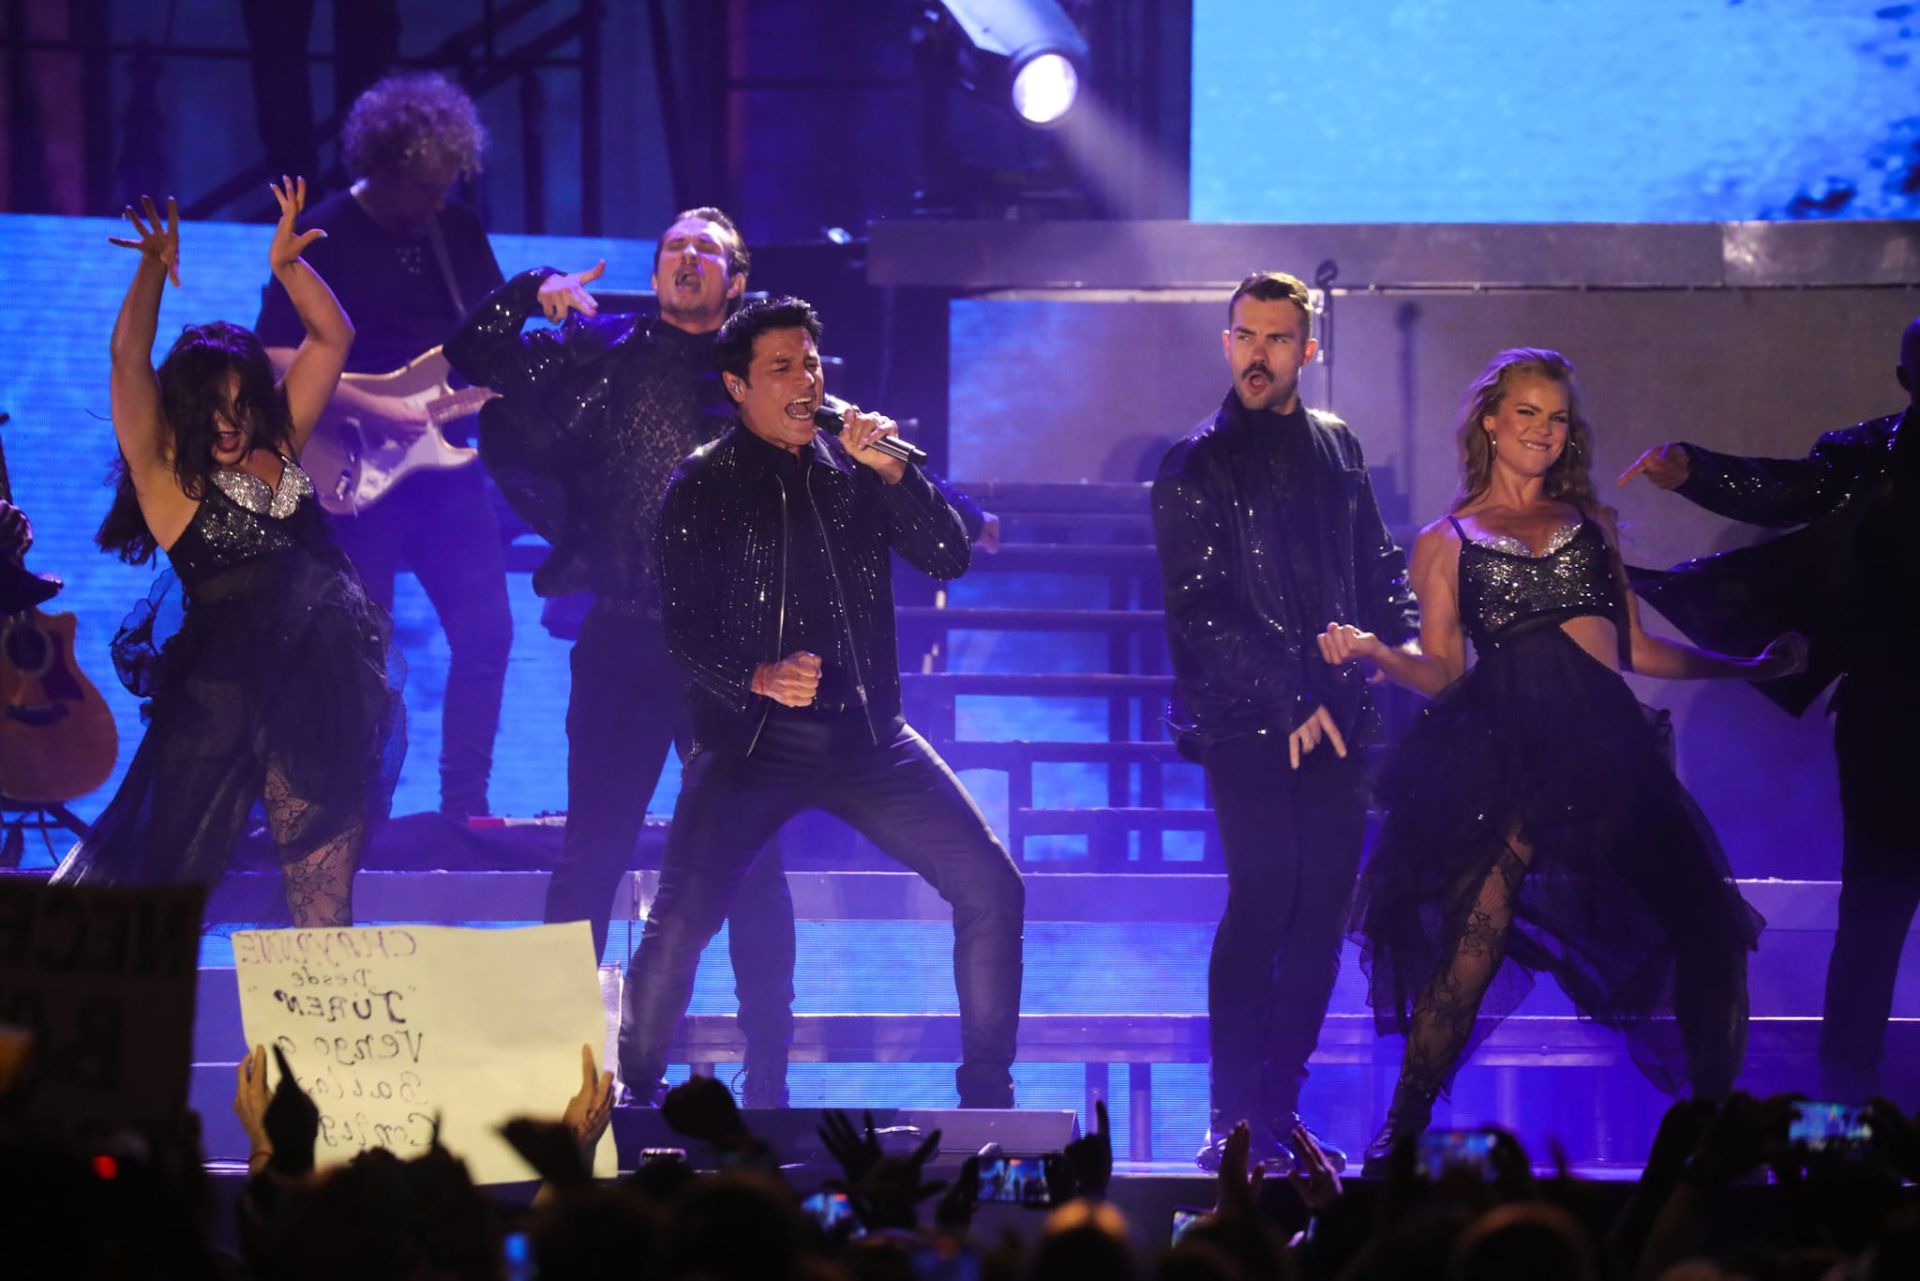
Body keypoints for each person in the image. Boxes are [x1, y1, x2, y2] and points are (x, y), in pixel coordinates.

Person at [1322, 348, 1803, 1172]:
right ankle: (1398, 1140)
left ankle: (1717, 1130)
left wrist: (1747, 666)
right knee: (1469, 947)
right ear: (1490, 422)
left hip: (1602, 747)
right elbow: (1442, 670)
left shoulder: (1591, 523)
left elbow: (1638, 648)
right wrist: (1375, 650)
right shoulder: (1444, 540)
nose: (1545, 431)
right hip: (1498, 748)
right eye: (1527, 414)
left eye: (1557, 418)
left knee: (1709, 927)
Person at [617, 296, 1025, 1109]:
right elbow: (680, 633)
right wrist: (757, 675)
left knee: (993, 884)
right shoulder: (700, 484)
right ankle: (632, 1096)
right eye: (782, 368)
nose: (806, 382)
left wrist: (896, 471)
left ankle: (988, 1094)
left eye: (812, 364)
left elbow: (948, 554)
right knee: (681, 919)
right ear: (738, 386)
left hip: (869, 739)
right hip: (749, 745)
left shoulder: (855, 471)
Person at [445, 208, 803, 1106]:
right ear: (655, 270)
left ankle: (769, 1077)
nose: (687, 258)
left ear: (736, 277)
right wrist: (532, 289)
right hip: (624, 639)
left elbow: (839, 448)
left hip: (732, 655)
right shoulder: (600, 346)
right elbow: (473, 355)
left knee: (754, 860)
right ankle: (549, 1073)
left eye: (706, 250)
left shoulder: (765, 371)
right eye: (673, 246)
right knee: (591, 855)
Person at [56, 182, 402, 926]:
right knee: (164, 892)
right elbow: (127, 360)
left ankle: (316, 1041)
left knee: (322, 893)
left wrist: (288, 268)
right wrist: (152, 268)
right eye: (212, 405)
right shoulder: (165, 475)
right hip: (219, 697)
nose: (229, 421)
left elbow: (332, 339)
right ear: (183, 410)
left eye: (243, 403)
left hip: (316, 691)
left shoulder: (280, 446)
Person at [1151, 270, 1419, 1173]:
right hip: (1246, 721)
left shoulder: (1337, 446)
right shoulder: (1195, 461)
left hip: (1338, 722)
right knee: (1264, 899)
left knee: (1320, 916)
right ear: (1226, 342)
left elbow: (1378, 565)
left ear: (1307, 349)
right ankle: (1232, 1117)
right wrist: (1285, 696)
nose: (1256, 353)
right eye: (1243, 335)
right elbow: (1199, 610)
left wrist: (1394, 644)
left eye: (1274, 338)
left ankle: (1276, 1111)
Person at [1619, 316, 1920, 1101]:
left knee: (1876, 905)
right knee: (1876, 904)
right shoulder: (1872, 453)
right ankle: (1846, 1096)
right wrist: (1695, 471)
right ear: (1906, 378)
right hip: (1890, 713)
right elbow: (1788, 487)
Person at [254, 71, 510, 821]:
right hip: (350, 475)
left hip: (443, 476)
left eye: (443, 187)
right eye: (422, 189)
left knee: (489, 631)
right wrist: (371, 406)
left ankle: (467, 803)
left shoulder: (455, 233)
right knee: (365, 653)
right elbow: (271, 355)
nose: (433, 202)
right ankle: (356, 807)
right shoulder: (326, 230)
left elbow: (490, 341)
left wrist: (544, 327)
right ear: (387, 165)